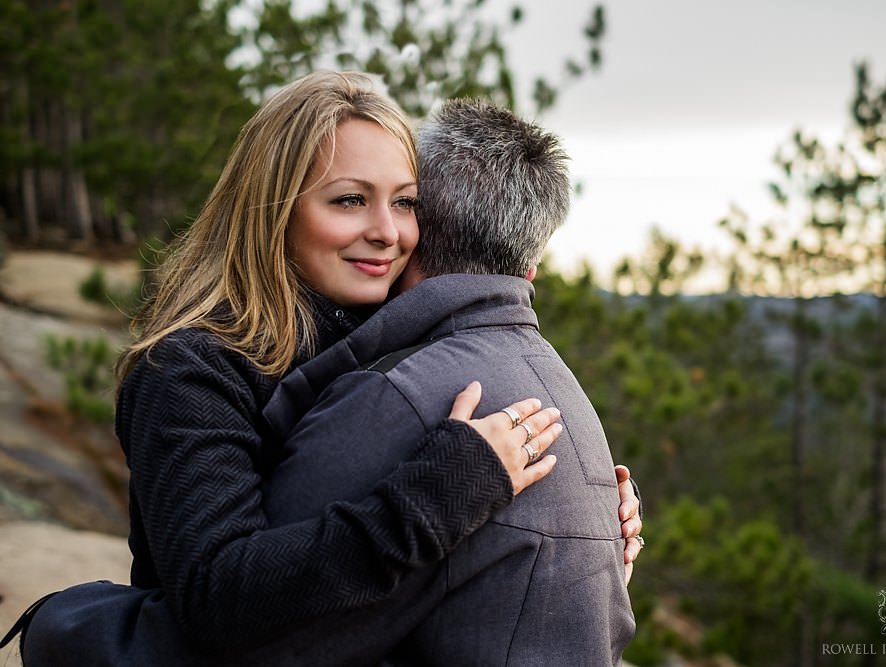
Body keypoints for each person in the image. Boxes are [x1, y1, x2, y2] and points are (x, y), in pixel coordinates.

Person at [3, 71, 642, 664]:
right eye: (348, 201)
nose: (387, 231)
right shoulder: (192, 366)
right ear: (273, 210)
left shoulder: (392, 344)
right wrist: (441, 493)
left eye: (406, 202)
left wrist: (572, 527)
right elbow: (215, 596)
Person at [253, 98, 635, 665]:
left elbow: (246, 613)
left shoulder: (400, 394)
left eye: (403, 203)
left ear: (415, 230)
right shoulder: (569, 398)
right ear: (529, 269)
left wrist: (81, 619)